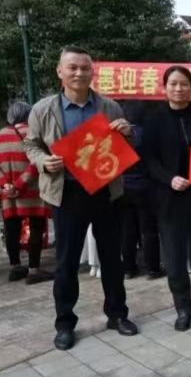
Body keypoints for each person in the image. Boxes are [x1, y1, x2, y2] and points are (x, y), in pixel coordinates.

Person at [24, 45, 138, 351]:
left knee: (112, 258)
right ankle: (64, 324)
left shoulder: (109, 107)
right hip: (67, 193)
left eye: (85, 68)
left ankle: (117, 314)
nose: (79, 73)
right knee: (66, 262)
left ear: (92, 72)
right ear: (59, 71)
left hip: (106, 191)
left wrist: (128, 132)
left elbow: (127, 145)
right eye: (72, 67)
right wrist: (42, 161)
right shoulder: (43, 109)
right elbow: (31, 144)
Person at [143, 66, 191, 331]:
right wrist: (169, 179)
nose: (179, 89)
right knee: (175, 258)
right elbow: (148, 160)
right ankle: (183, 308)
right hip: (170, 198)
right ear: (164, 87)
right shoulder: (154, 119)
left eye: (184, 84)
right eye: (173, 84)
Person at [0, 100, 53, 284]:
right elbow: (36, 162)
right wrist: (20, 185)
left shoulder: (1, 135)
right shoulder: (33, 133)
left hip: (8, 193)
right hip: (33, 190)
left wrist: (7, 186)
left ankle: (15, 267)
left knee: (11, 229)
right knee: (36, 228)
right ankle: (33, 269)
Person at [119, 100, 163, 279]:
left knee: (127, 230)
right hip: (145, 186)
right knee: (149, 229)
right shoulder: (148, 133)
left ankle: (129, 268)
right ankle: (153, 268)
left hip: (123, 187)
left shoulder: (119, 135)